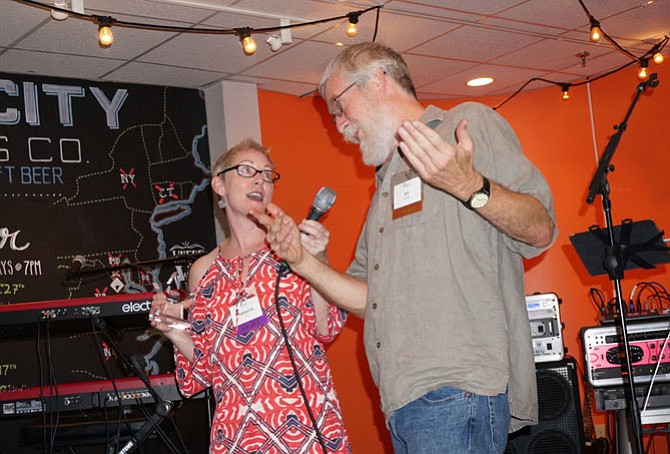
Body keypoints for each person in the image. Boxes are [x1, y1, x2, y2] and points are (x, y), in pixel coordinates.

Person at [250, 42, 558, 453]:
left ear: (379, 80)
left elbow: (541, 229)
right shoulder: (385, 188)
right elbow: (369, 299)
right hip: (404, 402)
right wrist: (303, 261)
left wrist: (471, 187)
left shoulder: (465, 126)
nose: (338, 125)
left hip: (458, 387)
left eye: (339, 106)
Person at [150, 138, 351, 454]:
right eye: (246, 170)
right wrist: (173, 330)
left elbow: (325, 329)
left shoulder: (292, 248)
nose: (260, 179)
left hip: (304, 430)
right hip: (237, 434)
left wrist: (318, 261)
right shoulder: (204, 271)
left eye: (267, 174)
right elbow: (204, 370)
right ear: (219, 184)